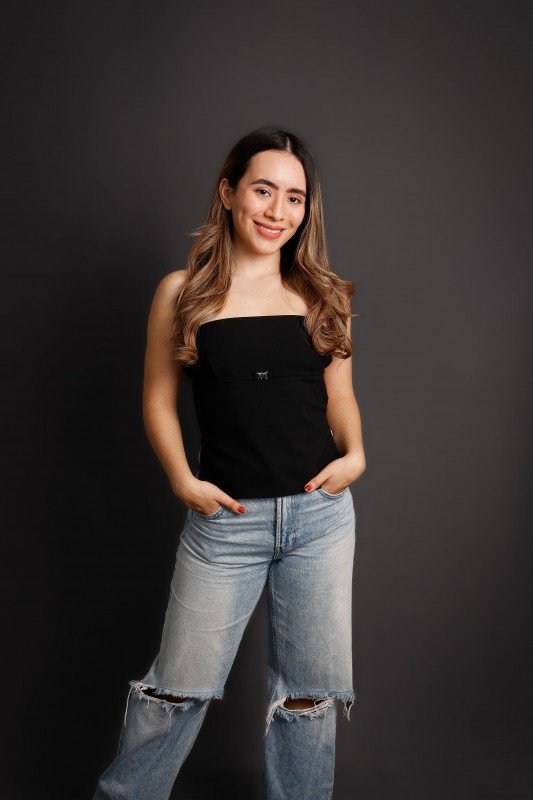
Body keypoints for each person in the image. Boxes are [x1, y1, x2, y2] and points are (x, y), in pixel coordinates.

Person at [92, 125, 366, 800]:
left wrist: (356, 455)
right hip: (226, 524)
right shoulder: (183, 292)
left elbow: (339, 399)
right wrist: (181, 478)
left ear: (307, 209)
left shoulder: (324, 294)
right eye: (262, 190)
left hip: (320, 519)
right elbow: (157, 400)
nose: (277, 211)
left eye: (294, 197)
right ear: (228, 192)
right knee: (176, 690)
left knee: (308, 698)